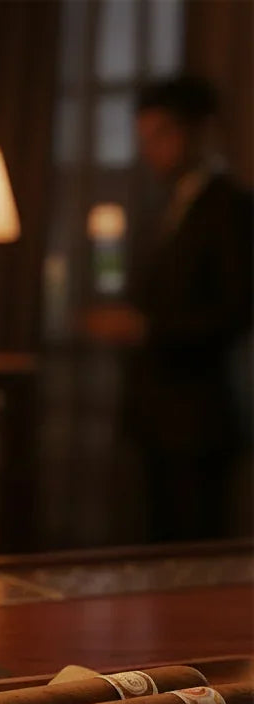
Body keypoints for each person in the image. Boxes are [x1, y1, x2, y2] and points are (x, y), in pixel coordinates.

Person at [88, 75, 253, 542]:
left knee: (194, 549)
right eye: (143, 139)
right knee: (152, 541)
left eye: (161, 135)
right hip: (152, 411)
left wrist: (146, 329)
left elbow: (237, 311)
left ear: (198, 132)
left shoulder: (231, 207)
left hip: (200, 417)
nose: (150, 150)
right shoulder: (161, 205)